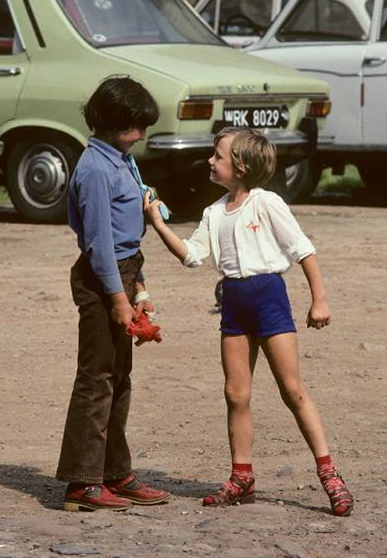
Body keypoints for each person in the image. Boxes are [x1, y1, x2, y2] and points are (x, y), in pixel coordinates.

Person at [143, 127, 354, 516]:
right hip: (235, 304)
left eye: (218, 156)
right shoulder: (212, 213)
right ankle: (242, 476)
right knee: (235, 394)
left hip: (270, 299)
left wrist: (319, 300)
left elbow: (303, 250)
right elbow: (192, 256)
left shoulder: (267, 203)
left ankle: (329, 473)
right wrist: (157, 224)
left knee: (292, 390)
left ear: (240, 166)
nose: (210, 160)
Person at [55, 76, 171, 512]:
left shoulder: (121, 159)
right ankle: (81, 482)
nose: (140, 135)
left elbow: (128, 239)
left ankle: (113, 471)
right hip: (103, 279)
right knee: (96, 379)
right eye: (133, 127)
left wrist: (139, 289)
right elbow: (100, 244)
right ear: (109, 121)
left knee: (119, 379)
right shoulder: (95, 169)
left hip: (124, 274)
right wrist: (118, 300)